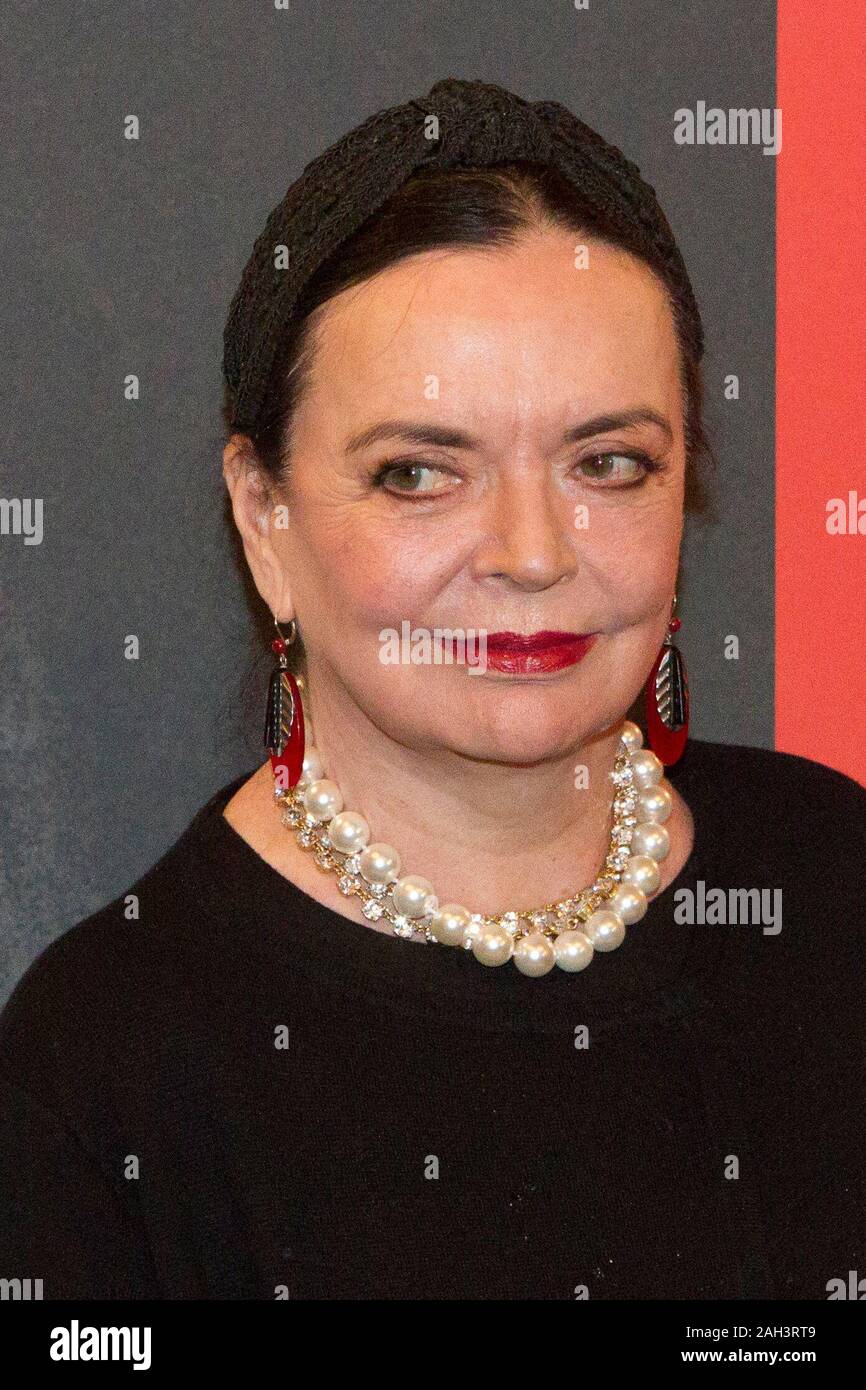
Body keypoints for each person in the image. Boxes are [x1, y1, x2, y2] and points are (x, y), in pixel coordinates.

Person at [1, 77, 864, 1301]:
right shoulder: (103, 1069)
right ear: (264, 517)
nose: (531, 552)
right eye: (417, 473)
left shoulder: (829, 883)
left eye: (608, 463)